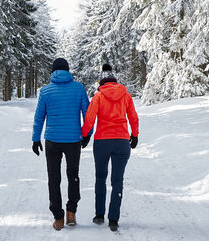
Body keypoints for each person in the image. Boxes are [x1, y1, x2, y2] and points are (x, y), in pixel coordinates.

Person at [32, 57, 91, 230]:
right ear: (68, 70)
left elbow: (39, 117)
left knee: (54, 178)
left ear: (53, 72)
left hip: (52, 141)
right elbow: (87, 114)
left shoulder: (45, 91)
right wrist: (86, 134)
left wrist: (35, 139)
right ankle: (71, 212)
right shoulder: (79, 88)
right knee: (73, 175)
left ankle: (58, 217)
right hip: (73, 140)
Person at [81, 63, 139, 232]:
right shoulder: (126, 95)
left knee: (100, 177)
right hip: (121, 141)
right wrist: (134, 134)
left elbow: (90, 119)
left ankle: (99, 214)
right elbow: (133, 117)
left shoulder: (98, 96)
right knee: (117, 180)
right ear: (115, 81)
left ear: (102, 83)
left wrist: (85, 135)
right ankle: (113, 219)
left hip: (102, 142)